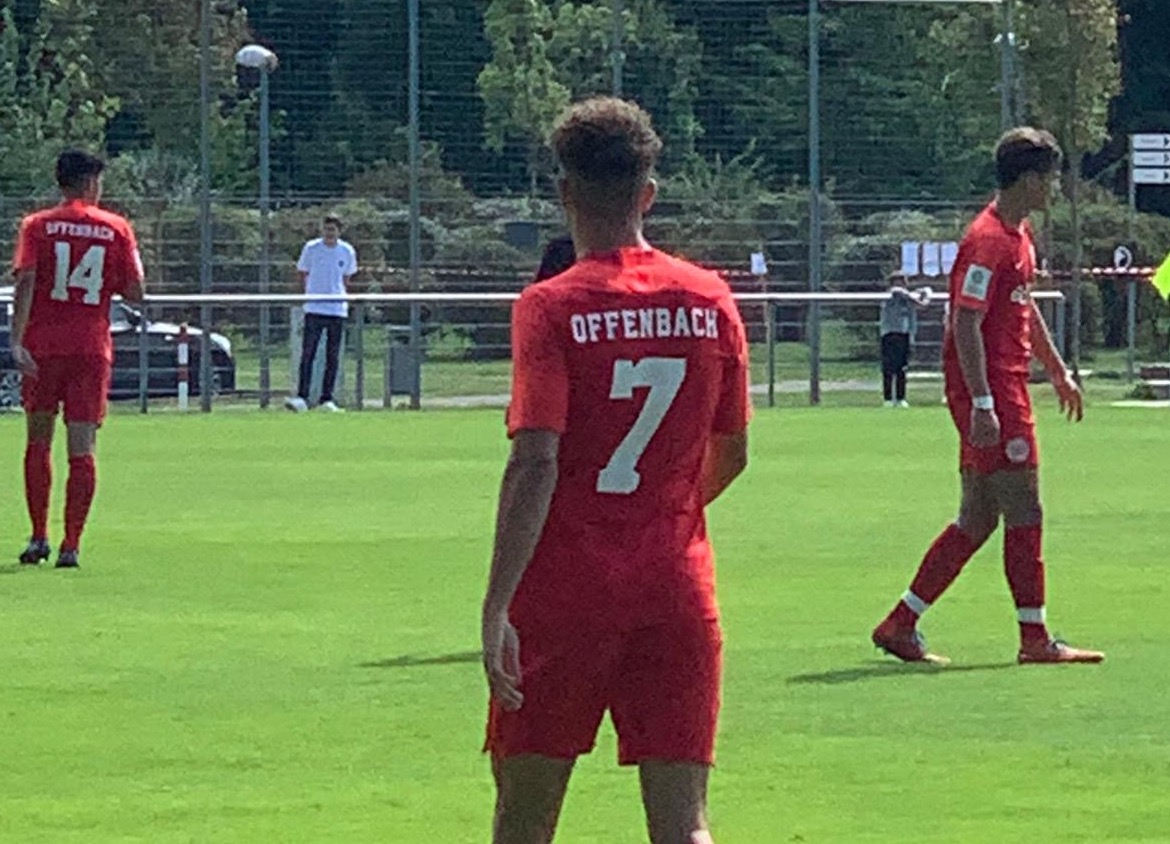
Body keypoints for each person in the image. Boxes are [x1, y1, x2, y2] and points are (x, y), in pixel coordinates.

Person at [481, 97, 751, 844]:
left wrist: (497, 602)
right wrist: (664, 512)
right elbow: (733, 450)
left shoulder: (550, 306)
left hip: (565, 587)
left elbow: (536, 458)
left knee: (525, 818)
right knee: (684, 823)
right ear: (649, 194)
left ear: (565, 192)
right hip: (676, 584)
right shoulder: (710, 298)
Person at [871, 127, 1103, 666]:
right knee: (1026, 508)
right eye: (1049, 178)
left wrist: (1057, 370)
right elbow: (965, 322)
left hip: (1003, 388)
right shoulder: (988, 240)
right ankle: (1034, 638)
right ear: (1028, 179)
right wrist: (982, 403)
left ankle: (900, 623)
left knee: (976, 518)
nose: (1054, 188)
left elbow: (1023, 305)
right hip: (995, 393)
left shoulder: (1018, 235)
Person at [9, 149, 146, 568]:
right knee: (82, 445)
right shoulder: (116, 227)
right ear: (89, 183)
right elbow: (136, 290)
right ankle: (71, 544)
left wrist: (17, 341)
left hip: (43, 347)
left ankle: (38, 536)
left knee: (38, 438)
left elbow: (26, 280)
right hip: (90, 348)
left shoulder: (36, 226)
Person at [286, 214, 357, 412]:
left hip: (337, 310)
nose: (329, 233)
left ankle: (327, 399)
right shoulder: (311, 248)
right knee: (308, 353)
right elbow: (303, 273)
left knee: (332, 357)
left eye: (332, 229)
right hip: (314, 308)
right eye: (326, 229)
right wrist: (309, 295)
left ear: (339, 231)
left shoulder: (347, 251)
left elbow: (346, 278)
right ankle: (302, 397)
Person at [879, 276, 930, 407]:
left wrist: (912, 337)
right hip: (888, 334)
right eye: (896, 282)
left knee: (902, 368)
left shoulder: (909, 299)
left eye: (901, 282)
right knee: (888, 368)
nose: (898, 285)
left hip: (903, 335)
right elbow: (895, 293)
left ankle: (901, 398)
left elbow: (918, 310)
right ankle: (888, 399)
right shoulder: (888, 296)